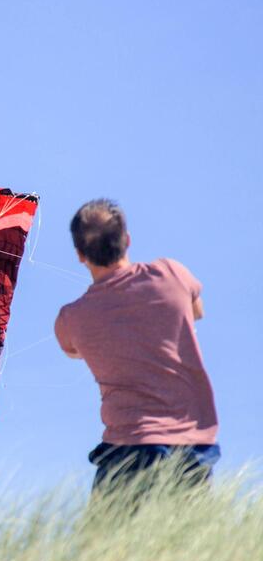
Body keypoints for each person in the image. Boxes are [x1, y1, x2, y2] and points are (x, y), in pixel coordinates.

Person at [54, 199, 220, 496]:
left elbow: (71, 351)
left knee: (105, 542)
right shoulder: (172, 274)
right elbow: (198, 311)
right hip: (191, 448)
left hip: (126, 451)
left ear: (80, 255)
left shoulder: (72, 318)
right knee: (190, 541)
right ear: (127, 240)